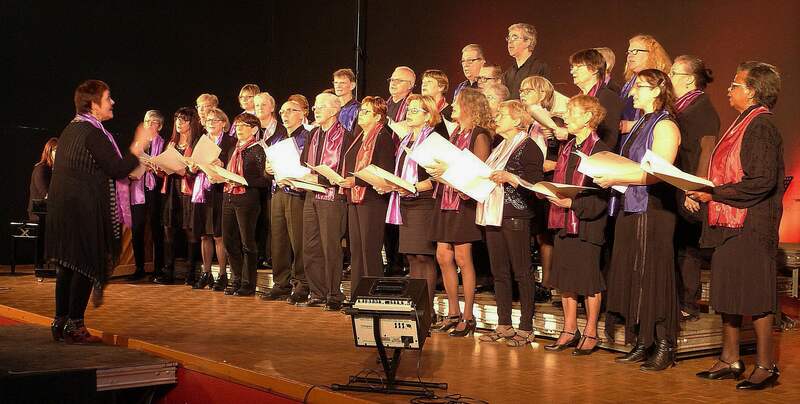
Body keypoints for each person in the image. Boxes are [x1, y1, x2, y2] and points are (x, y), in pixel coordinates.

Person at [687, 62, 783, 390]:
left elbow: (762, 181)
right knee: (727, 292)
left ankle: (766, 366)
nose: (729, 89)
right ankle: (731, 359)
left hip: (752, 224)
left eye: (735, 84)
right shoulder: (742, 122)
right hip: (729, 222)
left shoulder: (761, 127)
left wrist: (713, 192)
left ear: (753, 91)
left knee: (756, 295)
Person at [47, 79, 149, 343]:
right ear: (93, 105)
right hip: (82, 212)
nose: (112, 102)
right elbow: (117, 168)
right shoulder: (92, 133)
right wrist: (139, 145)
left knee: (67, 267)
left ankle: (60, 321)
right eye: (108, 98)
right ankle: (75, 325)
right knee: (83, 265)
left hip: (65, 211)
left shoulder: (72, 129)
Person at [595, 69, 681, 372]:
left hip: (653, 210)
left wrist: (615, 175)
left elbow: (659, 172)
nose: (632, 94)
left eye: (639, 88)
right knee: (635, 272)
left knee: (653, 274)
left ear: (657, 90)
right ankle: (643, 341)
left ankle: (664, 344)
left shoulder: (666, 125)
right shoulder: (642, 122)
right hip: (631, 206)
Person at [544, 95, 610, 355]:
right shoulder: (568, 147)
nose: (567, 117)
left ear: (587, 117)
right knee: (566, 279)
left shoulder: (601, 149)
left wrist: (572, 205)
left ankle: (592, 331)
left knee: (588, 281)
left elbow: (602, 195)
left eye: (572, 112)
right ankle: (569, 329)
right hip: (563, 222)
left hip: (587, 222)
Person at [426, 88, 492, 337]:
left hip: (463, 202)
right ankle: (453, 311)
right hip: (446, 199)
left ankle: (468, 315)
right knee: (443, 255)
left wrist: (450, 171)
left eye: (457, 102)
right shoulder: (456, 134)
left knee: (463, 258)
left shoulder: (480, 135)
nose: (453, 106)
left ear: (470, 107)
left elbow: (478, 171)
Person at [477, 100, 543, 347]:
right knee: (500, 272)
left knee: (522, 272)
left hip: (515, 214)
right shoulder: (500, 146)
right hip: (493, 214)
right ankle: (503, 324)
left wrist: (510, 177)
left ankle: (526, 327)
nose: (497, 117)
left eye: (502, 114)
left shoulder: (529, 147)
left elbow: (535, 184)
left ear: (517, 120)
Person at [669, 55, 720, 321]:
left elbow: (707, 150)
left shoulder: (701, 108)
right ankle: (679, 301)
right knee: (680, 246)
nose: (669, 77)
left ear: (689, 80)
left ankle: (688, 303)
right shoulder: (681, 106)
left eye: (674, 73)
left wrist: (693, 189)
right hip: (678, 183)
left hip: (690, 187)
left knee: (689, 248)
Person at [291, 93, 351, 309]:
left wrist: (321, 177)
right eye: (315, 106)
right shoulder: (314, 133)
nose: (315, 110)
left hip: (332, 196)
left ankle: (334, 295)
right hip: (311, 195)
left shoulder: (346, 136)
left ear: (335, 110)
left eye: (320, 106)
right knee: (310, 245)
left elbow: (345, 169)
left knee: (330, 246)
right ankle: (317, 292)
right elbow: (304, 162)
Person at [382, 94, 440, 320]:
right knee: (412, 257)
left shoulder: (433, 139)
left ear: (428, 116)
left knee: (425, 256)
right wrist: (390, 185)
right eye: (410, 109)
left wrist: (414, 187)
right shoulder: (406, 139)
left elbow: (436, 177)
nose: (410, 113)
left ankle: (428, 308)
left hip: (424, 203)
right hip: (405, 202)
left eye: (416, 110)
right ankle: (417, 305)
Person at [337, 96, 395, 307]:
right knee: (357, 249)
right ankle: (357, 296)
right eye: (361, 111)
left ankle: (373, 295)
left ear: (378, 117)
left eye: (366, 112)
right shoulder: (358, 136)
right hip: (354, 198)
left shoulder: (383, 137)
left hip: (372, 199)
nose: (361, 114)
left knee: (370, 249)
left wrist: (357, 179)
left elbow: (385, 172)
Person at [262, 98, 311, 305]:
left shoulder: (308, 137)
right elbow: (267, 169)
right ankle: (280, 283)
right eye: (283, 111)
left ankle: (302, 283)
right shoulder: (277, 138)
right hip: (278, 192)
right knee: (278, 240)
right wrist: (268, 169)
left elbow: (311, 165)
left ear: (302, 114)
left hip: (297, 193)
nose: (285, 114)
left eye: (291, 110)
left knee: (298, 240)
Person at [154, 108, 204, 285]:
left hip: (187, 190)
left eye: (183, 120)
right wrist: (158, 167)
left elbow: (197, 171)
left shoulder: (197, 143)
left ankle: (190, 272)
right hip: (171, 190)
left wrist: (186, 171)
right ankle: (168, 271)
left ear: (192, 123)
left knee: (189, 229)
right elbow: (164, 169)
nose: (179, 123)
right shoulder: (172, 143)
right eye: (177, 119)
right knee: (168, 228)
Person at [222, 113, 269, 296]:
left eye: (243, 125)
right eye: (237, 125)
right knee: (229, 240)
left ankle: (248, 283)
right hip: (229, 196)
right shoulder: (233, 148)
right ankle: (236, 278)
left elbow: (265, 180)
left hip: (248, 199)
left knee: (247, 242)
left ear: (254, 129)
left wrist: (243, 180)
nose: (238, 129)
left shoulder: (258, 149)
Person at [192, 108, 236, 289]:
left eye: (215, 120)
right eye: (208, 120)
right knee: (204, 234)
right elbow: (191, 166)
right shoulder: (200, 141)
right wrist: (192, 167)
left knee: (219, 235)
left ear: (224, 123)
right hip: (202, 190)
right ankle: (206, 272)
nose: (210, 123)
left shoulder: (229, 141)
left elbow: (232, 165)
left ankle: (223, 274)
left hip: (219, 190)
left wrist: (222, 163)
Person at [128, 111, 165, 281]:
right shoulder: (137, 144)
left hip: (155, 191)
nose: (149, 124)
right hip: (137, 189)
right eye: (146, 121)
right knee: (137, 229)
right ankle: (139, 268)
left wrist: (156, 168)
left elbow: (168, 168)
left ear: (161, 126)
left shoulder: (164, 144)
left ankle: (159, 269)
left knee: (157, 229)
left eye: (154, 122)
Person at [568, 48, 624, 150]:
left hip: (595, 158)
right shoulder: (579, 97)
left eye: (578, 67)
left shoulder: (608, 97)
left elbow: (609, 138)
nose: (572, 71)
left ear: (594, 70)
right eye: (572, 67)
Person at [619, 35, 671, 135]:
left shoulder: (660, 81)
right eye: (629, 52)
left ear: (651, 54)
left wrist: (633, 125)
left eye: (635, 51)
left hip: (644, 138)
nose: (630, 55)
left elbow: (662, 116)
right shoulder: (629, 83)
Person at [254, 92, 279, 269]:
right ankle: (259, 254)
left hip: (273, 183)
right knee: (257, 221)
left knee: (272, 223)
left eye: (263, 105)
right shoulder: (253, 130)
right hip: (255, 183)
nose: (260, 108)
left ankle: (271, 256)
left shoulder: (280, 130)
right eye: (257, 105)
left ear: (272, 107)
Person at [502, 23, 549, 99]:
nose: (510, 41)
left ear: (528, 42)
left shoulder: (540, 67)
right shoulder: (507, 73)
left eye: (515, 38)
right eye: (509, 38)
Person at [28, 137, 58, 222]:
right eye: (56, 151)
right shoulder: (41, 169)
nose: (59, 154)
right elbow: (45, 193)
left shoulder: (55, 170)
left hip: (48, 212)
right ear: (49, 152)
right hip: (38, 215)